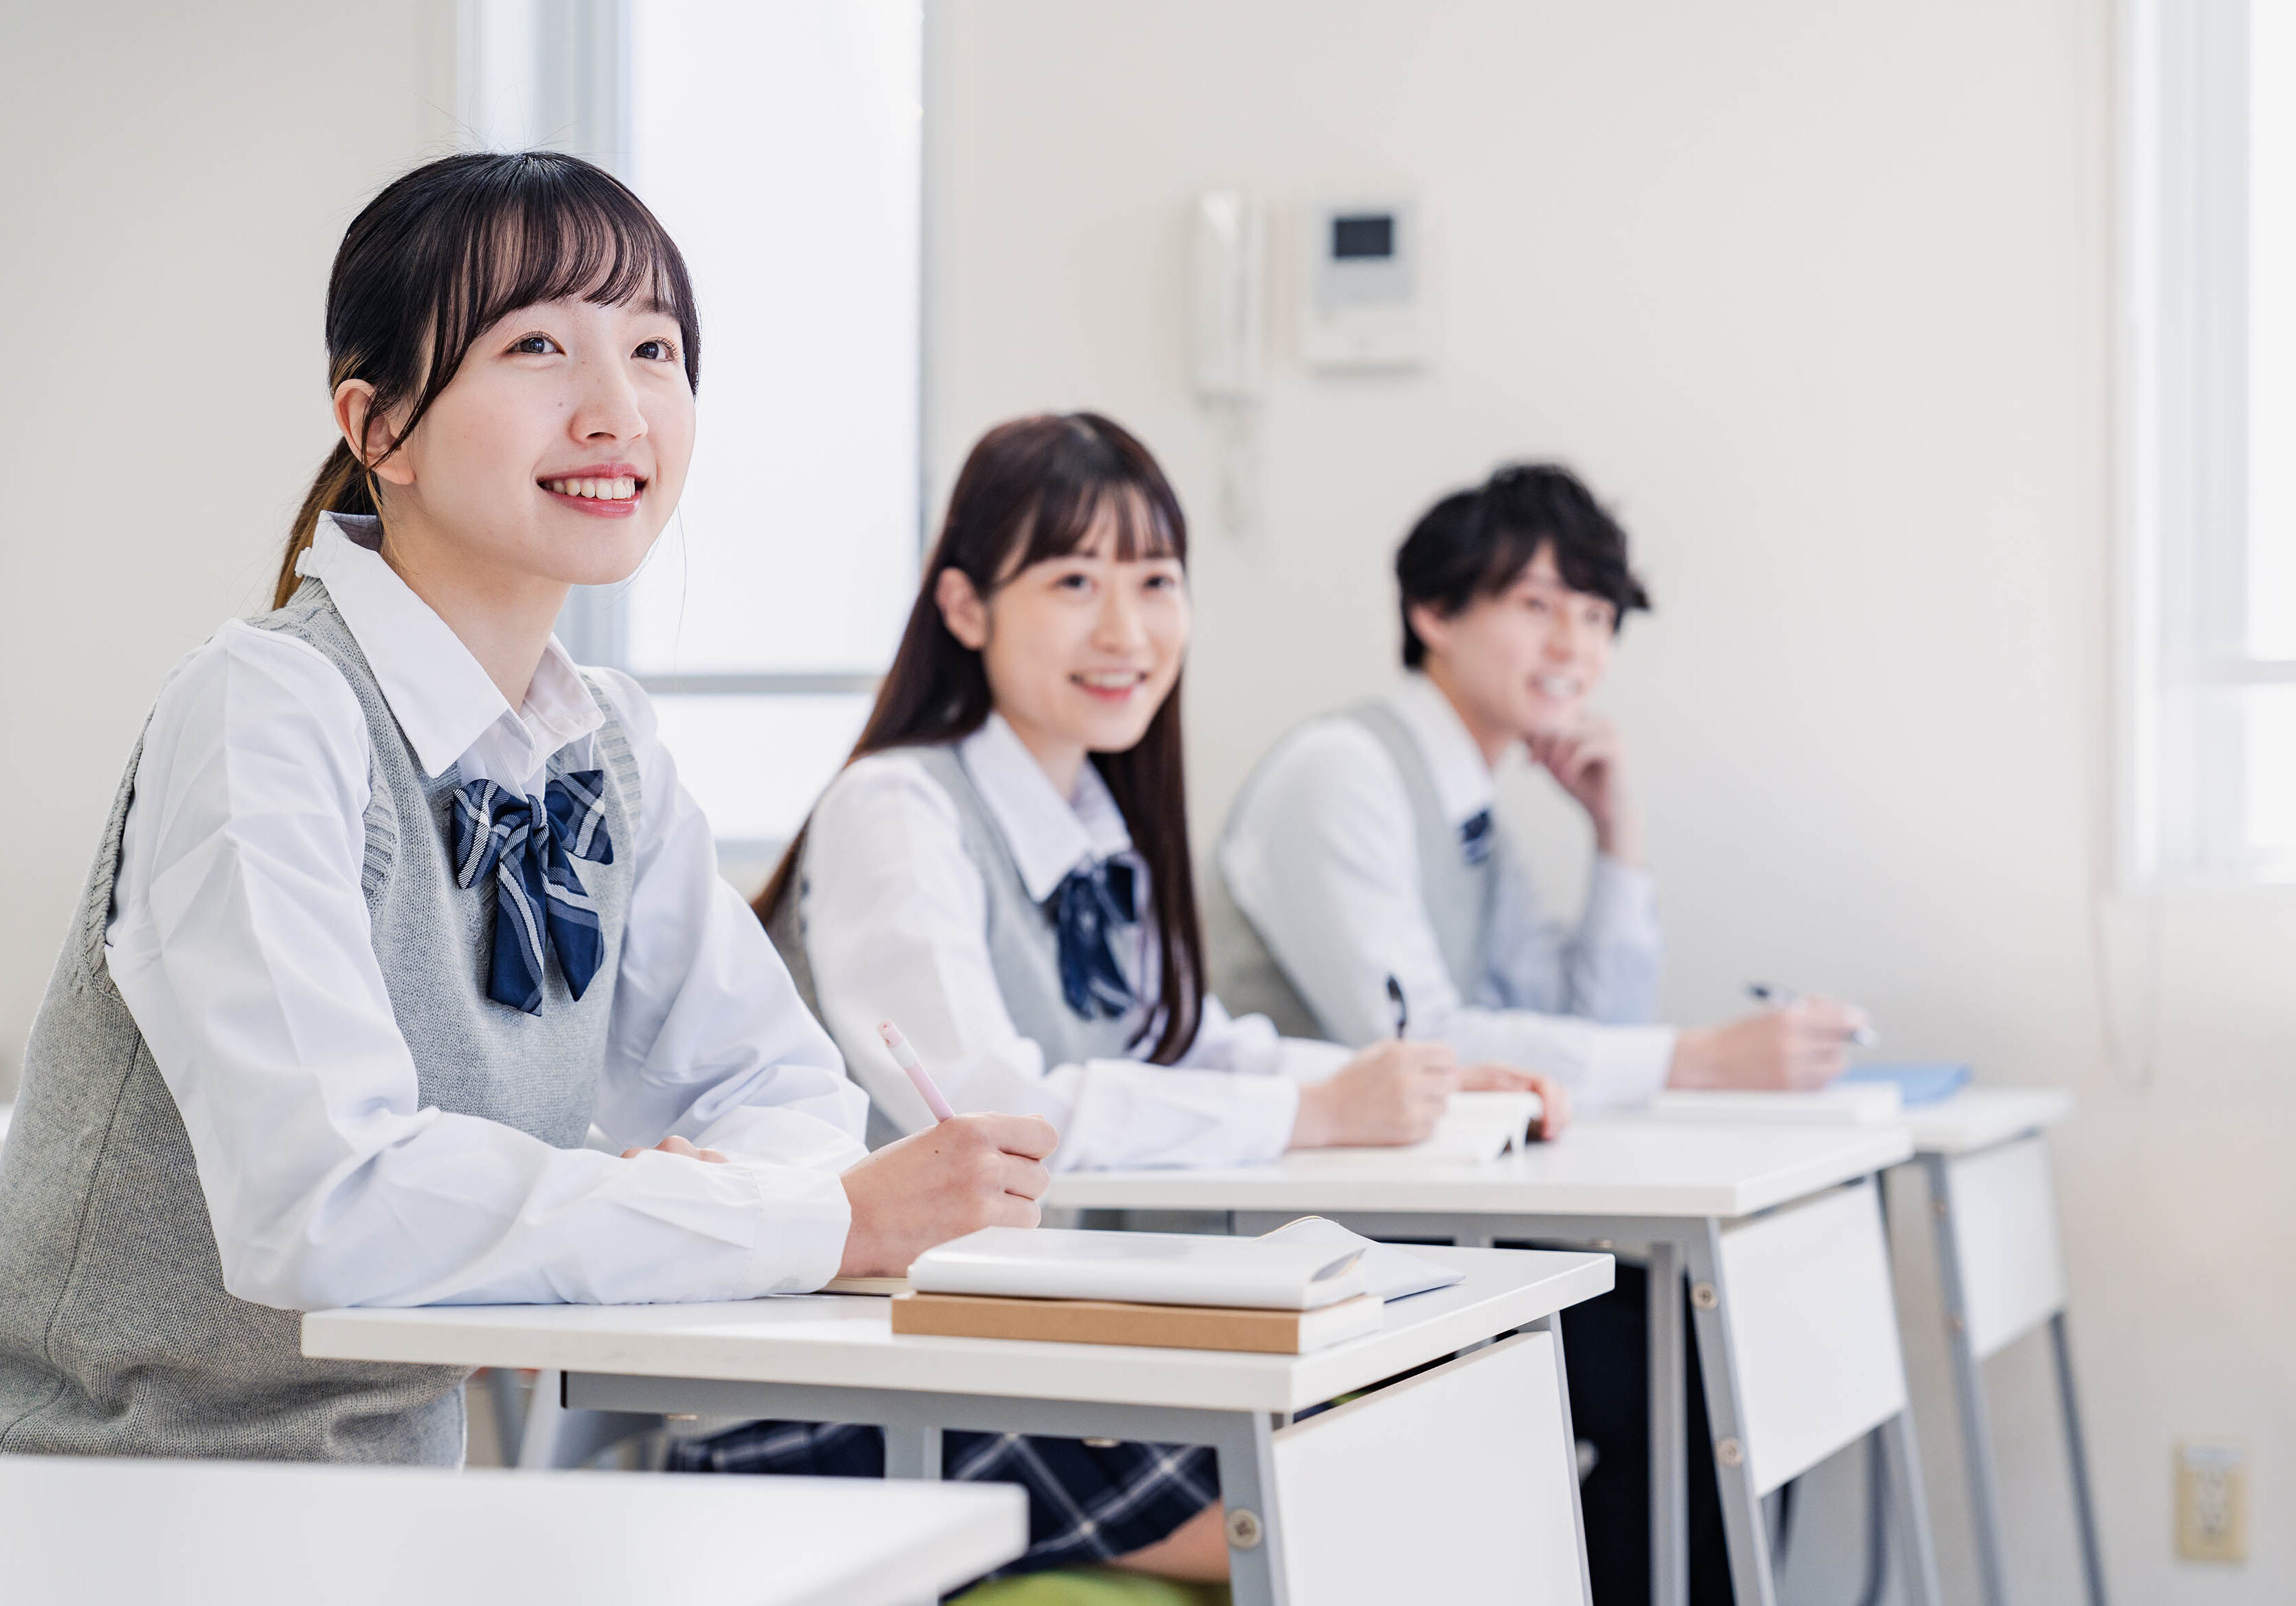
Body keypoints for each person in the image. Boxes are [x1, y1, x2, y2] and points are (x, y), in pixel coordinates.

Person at [0, 151, 1050, 1468]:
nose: (618, 409)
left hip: (396, 1503)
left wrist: (748, 1201)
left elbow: (782, 1089)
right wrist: (791, 1220)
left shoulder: (605, 745)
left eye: (656, 350)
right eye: (540, 344)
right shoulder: (265, 709)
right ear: (379, 427)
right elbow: (328, 1204)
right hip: (122, 1497)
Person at [672, 413, 1564, 1586]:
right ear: (965, 608)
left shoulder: (1092, 821)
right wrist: (1319, 1114)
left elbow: (1185, 1045)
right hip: (861, 1378)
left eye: (1156, 582)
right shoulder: (900, 808)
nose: (1126, 629)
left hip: (1037, 1350)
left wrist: (1410, 1085)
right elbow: (999, 1115)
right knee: (1366, 1493)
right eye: (1074, 579)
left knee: (1437, 1420)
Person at [1214, 461, 1870, 1604]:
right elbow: (1429, 1042)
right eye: (1539, 604)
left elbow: (1583, 1028)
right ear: (1433, 613)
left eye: (1599, 615)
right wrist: (1702, 1057)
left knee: (1728, 1342)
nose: (1575, 643)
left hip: (1424, 1234)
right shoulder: (1347, 774)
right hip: (1293, 1251)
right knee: (1689, 1363)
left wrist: (1617, 831)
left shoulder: (1474, 808)